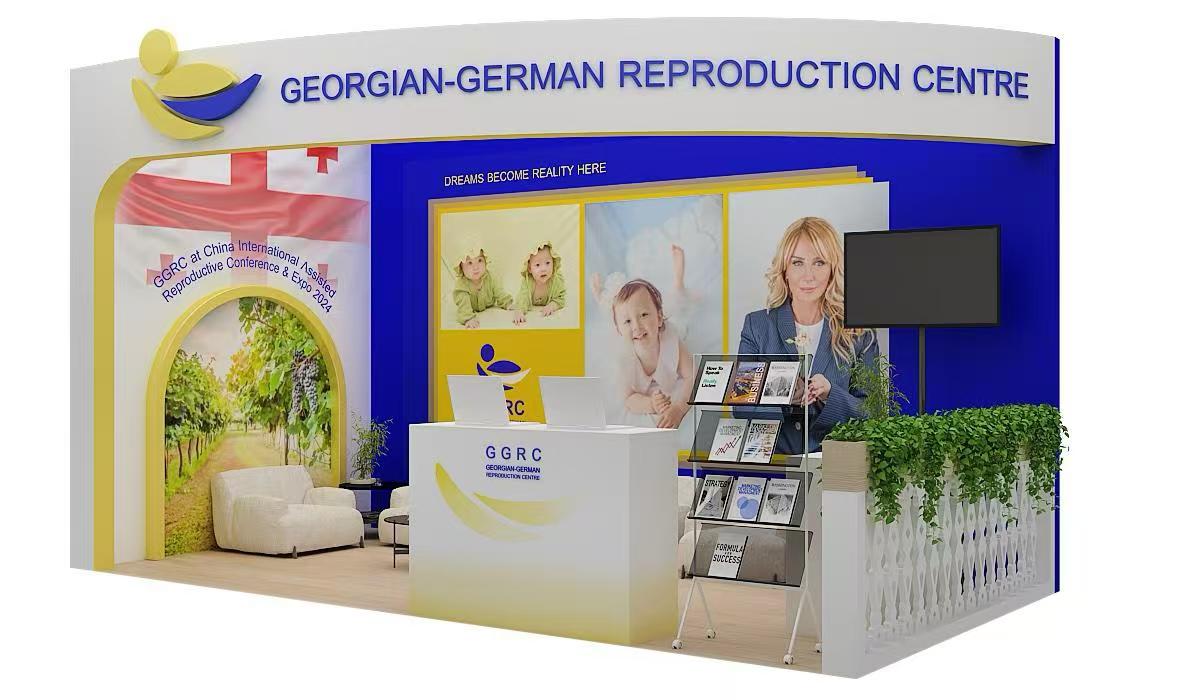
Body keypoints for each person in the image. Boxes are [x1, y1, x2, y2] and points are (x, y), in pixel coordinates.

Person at [738, 216, 878, 453]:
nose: (808, 276)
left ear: (832, 269)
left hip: (835, 465)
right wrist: (783, 397)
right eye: (798, 263)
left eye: (819, 262)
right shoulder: (757, 325)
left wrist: (830, 394)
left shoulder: (858, 332)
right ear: (785, 270)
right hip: (775, 464)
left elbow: (873, 412)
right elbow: (741, 404)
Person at [610, 279, 696, 429]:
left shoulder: (671, 340)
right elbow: (628, 398)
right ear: (618, 330)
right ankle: (601, 296)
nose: (637, 326)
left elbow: (693, 376)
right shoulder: (624, 359)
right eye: (627, 321)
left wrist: (679, 409)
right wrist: (650, 404)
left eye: (643, 314)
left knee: (682, 316)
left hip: (674, 327)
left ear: (659, 318)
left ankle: (679, 284)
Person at [451, 239, 513, 329]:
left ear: (485, 261)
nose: (476, 267)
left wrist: (507, 303)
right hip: (469, 310)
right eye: (470, 263)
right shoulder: (461, 285)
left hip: (489, 308)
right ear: (461, 268)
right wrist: (468, 318)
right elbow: (463, 305)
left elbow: (499, 292)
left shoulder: (491, 277)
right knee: (463, 298)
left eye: (480, 260)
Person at [513, 242, 568, 325]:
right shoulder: (528, 282)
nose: (543, 269)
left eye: (548, 263)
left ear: (553, 263)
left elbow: (560, 298)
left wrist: (552, 305)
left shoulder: (555, 280)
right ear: (530, 269)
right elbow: (523, 298)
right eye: (537, 265)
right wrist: (519, 311)